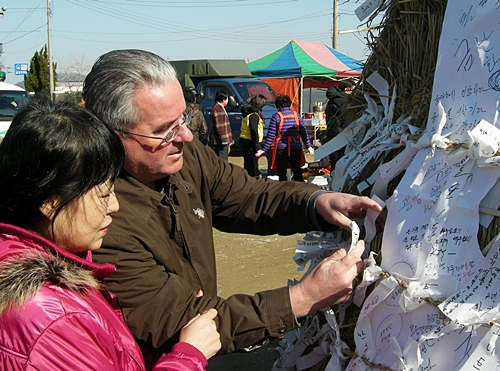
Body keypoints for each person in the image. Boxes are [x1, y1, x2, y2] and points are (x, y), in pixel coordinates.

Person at [82, 49, 382, 366]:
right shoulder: (98, 221)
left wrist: (314, 201)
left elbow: (246, 195)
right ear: (112, 137)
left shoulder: (183, 157)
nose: (185, 135)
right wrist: (302, 298)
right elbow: (184, 322)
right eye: (164, 130)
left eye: (182, 118)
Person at [0, 102, 221, 370]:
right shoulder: (48, 318)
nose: (114, 206)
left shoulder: (67, 272)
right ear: (50, 203)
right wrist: (189, 354)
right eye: (103, 194)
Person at [256, 94, 315, 182]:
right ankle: (300, 189)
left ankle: (284, 189)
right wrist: (309, 147)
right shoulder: (296, 115)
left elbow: (271, 135)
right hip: (295, 147)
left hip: (281, 148)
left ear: (277, 105)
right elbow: (303, 132)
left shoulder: (276, 116)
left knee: (281, 171)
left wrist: (263, 149)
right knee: (297, 170)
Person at [324, 80, 354, 168]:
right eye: (353, 90)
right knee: (340, 164)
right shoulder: (342, 101)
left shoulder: (333, 99)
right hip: (341, 136)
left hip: (332, 135)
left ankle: (333, 180)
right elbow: (348, 119)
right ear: (347, 90)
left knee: (334, 164)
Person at [239, 94, 266, 177]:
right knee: (253, 167)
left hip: (244, 141)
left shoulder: (247, 112)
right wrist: (257, 146)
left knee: (247, 164)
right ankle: (253, 184)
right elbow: (253, 131)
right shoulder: (254, 115)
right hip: (250, 143)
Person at [209, 90, 232, 160]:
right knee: (222, 161)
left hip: (220, 140)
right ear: (223, 99)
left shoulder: (218, 108)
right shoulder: (218, 109)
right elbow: (220, 127)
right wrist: (225, 141)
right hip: (220, 141)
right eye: (227, 98)